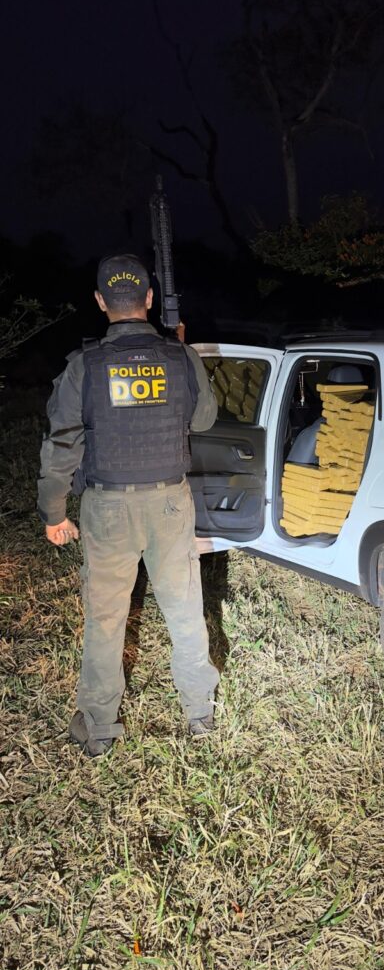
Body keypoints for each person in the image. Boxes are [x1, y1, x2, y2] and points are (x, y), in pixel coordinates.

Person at [37, 254, 219, 757]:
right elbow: (203, 420)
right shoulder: (179, 358)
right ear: (149, 300)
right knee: (184, 607)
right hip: (169, 504)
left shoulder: (85, 366)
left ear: (100, 303)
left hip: (108, 509)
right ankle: (199, 711)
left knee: (105, 618)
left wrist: (53, 512)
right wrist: (181, 355)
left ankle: (98, 728)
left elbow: (61, 447)